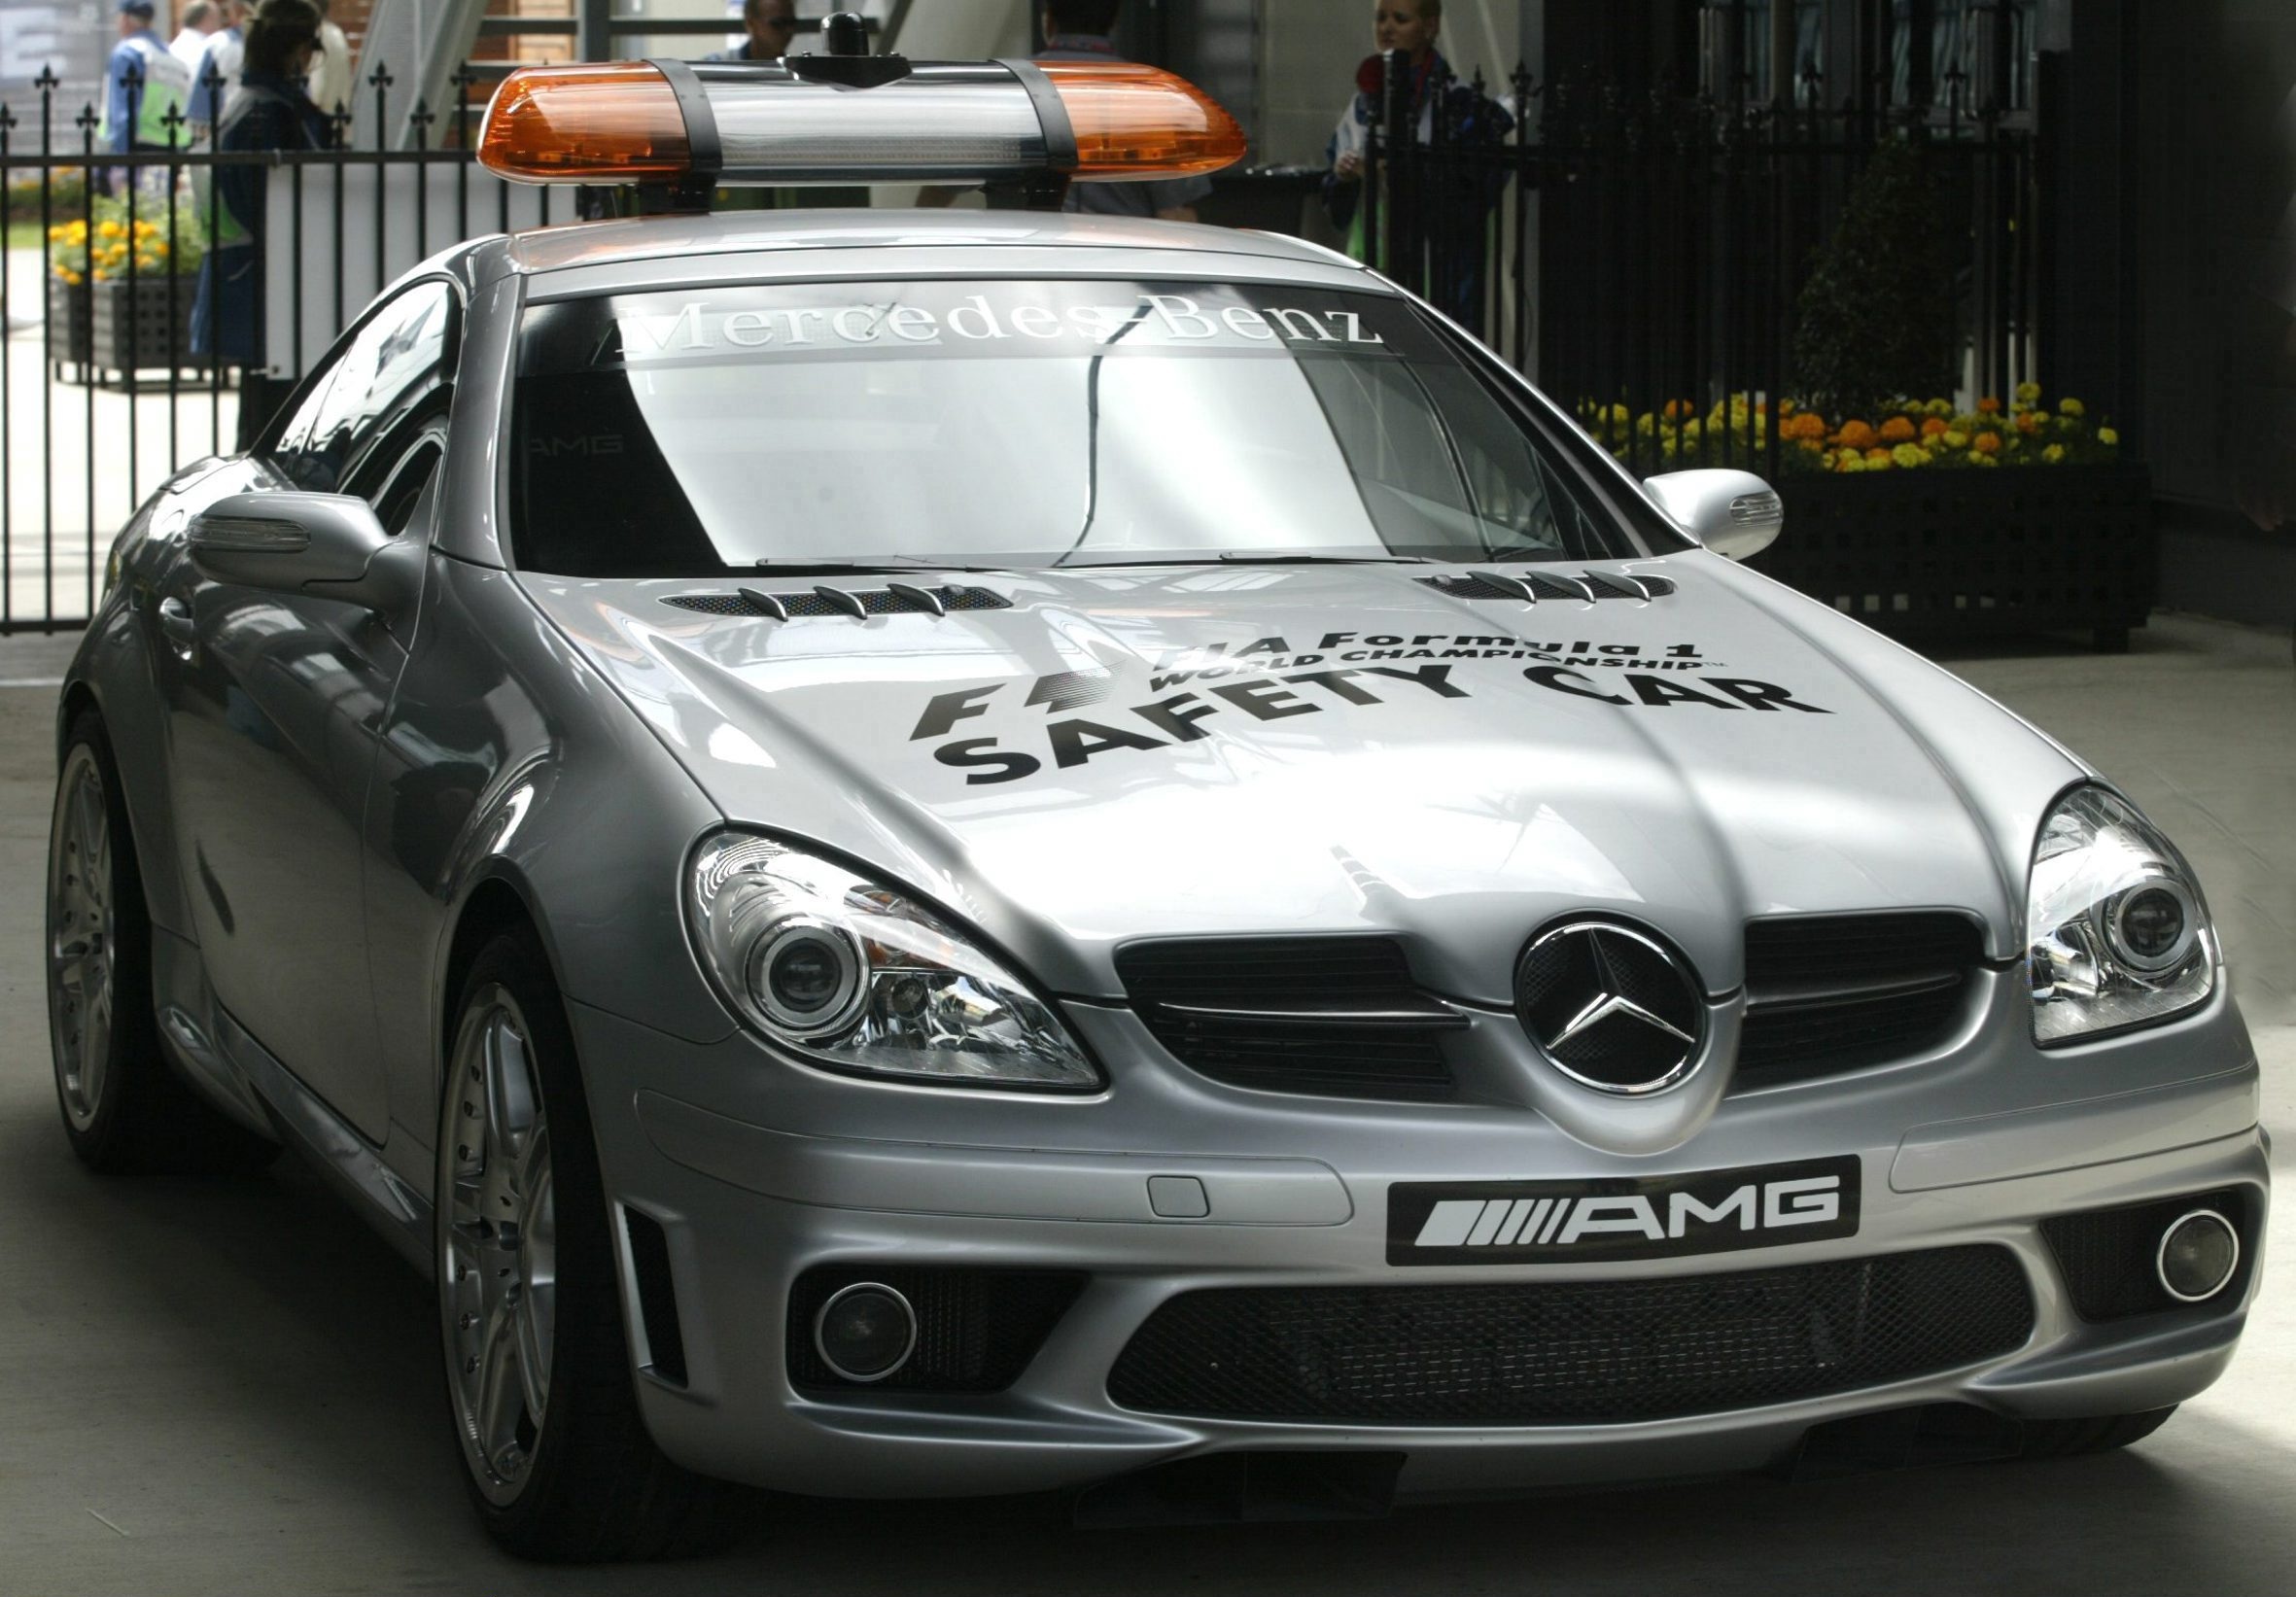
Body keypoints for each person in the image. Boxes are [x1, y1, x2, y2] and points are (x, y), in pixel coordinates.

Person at [917, 0, 1213, 222]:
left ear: (1048, 21)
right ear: (1114, 20)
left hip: (1030, 258)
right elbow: (1175, 212)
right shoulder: (1153, 94)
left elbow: (944, 186)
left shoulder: (1005, 88)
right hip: (1123, 263)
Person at [191, 0, 331, 447]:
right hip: (269, 281)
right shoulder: (270, 113)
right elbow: (278, 207)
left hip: (252, 277)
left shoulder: (254, 104)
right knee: (272, 418)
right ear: (295, 48)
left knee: (264, 410)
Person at [1323, 0, 1513, 324]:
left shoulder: (1460, 103)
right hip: (1372, 268)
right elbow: (1335, 202)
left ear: (1430, 27)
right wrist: (1344, 177)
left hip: (1440, 278)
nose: (1386, 28)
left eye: (1400, 18)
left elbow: (1472, 197)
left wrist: (1400, 174)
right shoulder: (1362, 102)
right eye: (1380, 18)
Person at [100, 0, 193, 193]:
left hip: (136, 148)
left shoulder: (127, 53)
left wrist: (119, 160)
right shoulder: (170, 56)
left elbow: (123, 112)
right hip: (171, 148)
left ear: (125, 19)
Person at [187, 0, 251, 142]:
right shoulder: (284, 47)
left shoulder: (218, 44)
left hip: (226, 134)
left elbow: (201, 115)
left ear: (237, 10)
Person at [705, 0, 798, 64]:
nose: (788, 30)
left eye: (792, 23)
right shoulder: (719, 66)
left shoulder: (795, 72)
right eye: (778, 24)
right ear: (751, 24)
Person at [305, 0, 354, 124]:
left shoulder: (319, 36)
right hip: (338, 116)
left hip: (321, 120)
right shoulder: (337, 32)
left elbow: (317, 89)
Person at [169, 0, 222, 75]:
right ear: (208, 19)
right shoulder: (209, 49)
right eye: (216, 20)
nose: (218, 26)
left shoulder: (173, 47)